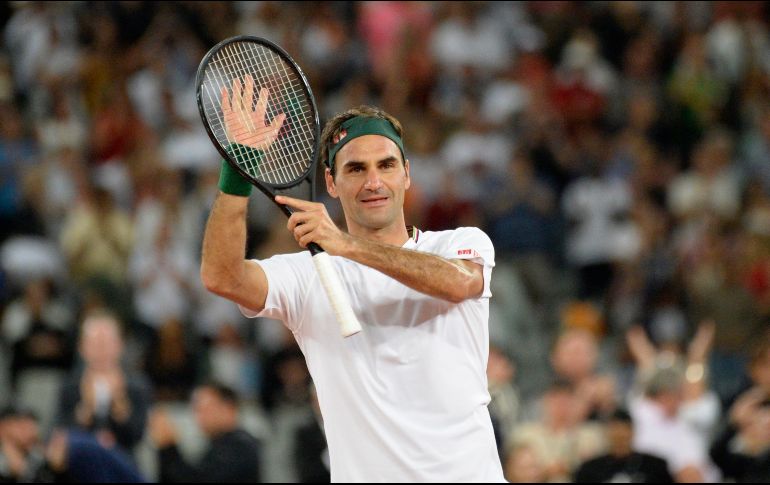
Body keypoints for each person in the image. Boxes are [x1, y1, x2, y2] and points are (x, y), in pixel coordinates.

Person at [200, 81, 505, 481]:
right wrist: (238, 169)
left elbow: (459, 283)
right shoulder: (306, 275)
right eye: (356, 169)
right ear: (331, 182)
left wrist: (345, 245)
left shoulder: (459, 243)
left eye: (386, 165)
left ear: (407, 173)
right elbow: (222, 276)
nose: (373, 182)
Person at [56, 310, 151, 454]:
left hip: (124, 459)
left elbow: (139, 436)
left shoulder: (137, 385)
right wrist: (85, 410)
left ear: (120, 345)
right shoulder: (69, 385)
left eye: (107, 342)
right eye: (95, 343)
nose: (101, 349)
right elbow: (59, 433)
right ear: (81, 347)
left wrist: (120, 405)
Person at [149, 381, 261, 483]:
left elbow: (201, 479)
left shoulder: (240, 446)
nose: (199, 416)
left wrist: (168, 447)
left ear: (228, 408)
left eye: (205, 408)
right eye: (197, 410)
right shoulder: (220, 443)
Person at [573, 409, 673, 483]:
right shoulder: (590, 470)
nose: (620, 437)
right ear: (606, 433)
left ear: (632, 432)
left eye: (624, 432)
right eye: (615, 432)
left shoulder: (655, 466)